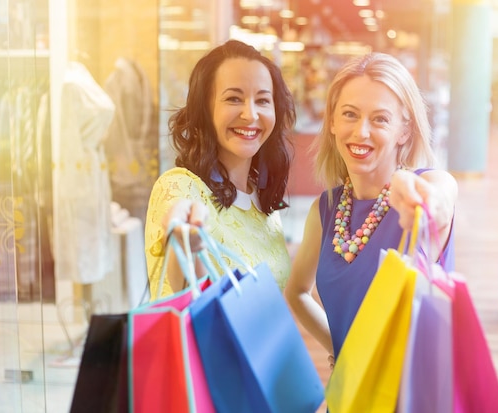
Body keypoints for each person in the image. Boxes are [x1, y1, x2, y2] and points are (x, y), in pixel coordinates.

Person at [284, 52, 458, 368]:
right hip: (349, 396)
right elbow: (296, 292)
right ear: (333, 122)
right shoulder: (324, 209)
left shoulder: (428, 185)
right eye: (350, 114)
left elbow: (440, 202)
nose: (361, 132)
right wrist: (343, 351)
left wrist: (420, 198)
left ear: (404, 131)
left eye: (380, 119)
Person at [144, 39, 296, 300]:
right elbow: (184, 300)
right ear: (205, 109)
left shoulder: (262, 198)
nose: (250, 114)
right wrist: (185, 244)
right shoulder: (181, 188)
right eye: (234, 99)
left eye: (262, 100)